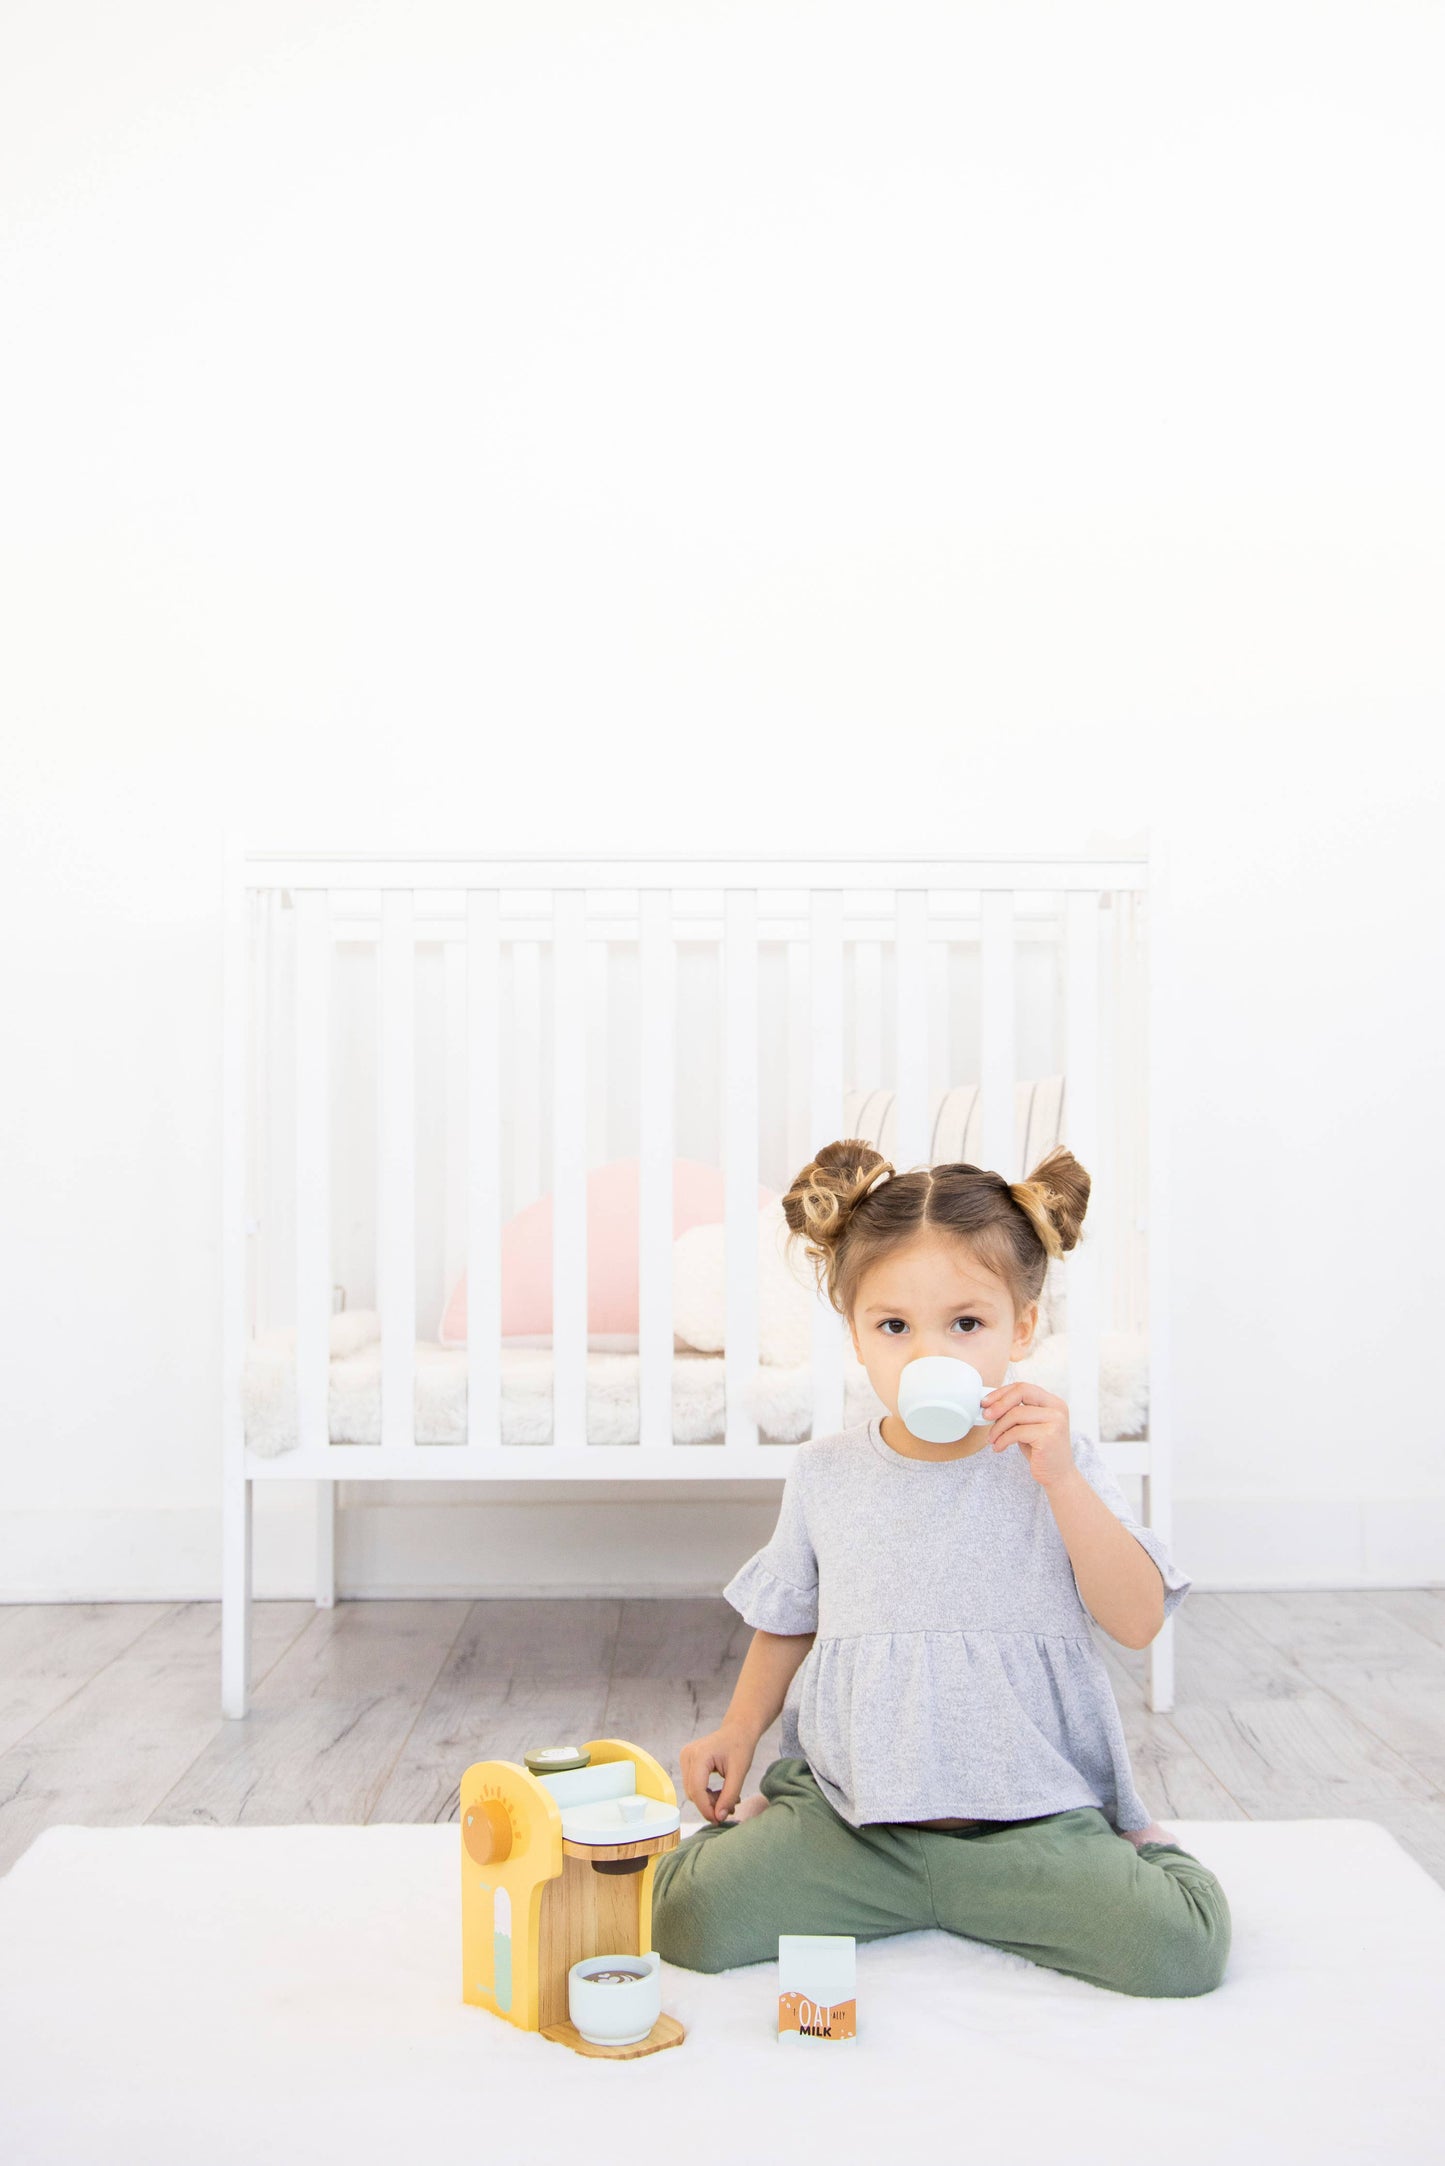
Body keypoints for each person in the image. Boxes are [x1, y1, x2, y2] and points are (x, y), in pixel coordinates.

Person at [648, 1139, 1231, 1998]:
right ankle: (785, 1828)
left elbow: (1137, 1621)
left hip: (1025, 1820)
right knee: (683, 1917)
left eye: (965, 1324)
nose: (931, 1355)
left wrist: (1061, 1481)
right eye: (894, 1326)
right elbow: (788, 1619)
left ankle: (1131, 1847)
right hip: (853, 1820)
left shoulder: (1058, 1464)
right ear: (855, 1334)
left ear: (1021, 1327)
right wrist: (737, 1731)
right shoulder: (825, 1473)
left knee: (1176, 1951)